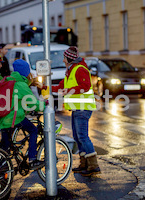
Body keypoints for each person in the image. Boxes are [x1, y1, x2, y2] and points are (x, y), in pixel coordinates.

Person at [51, 46, 100, 176]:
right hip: (77, 108)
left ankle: (93, 165)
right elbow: (61, 86)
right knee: (78, 137)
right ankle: (84, 164)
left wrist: (69, 90)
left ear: (69, 58)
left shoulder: (80, 69)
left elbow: (85, 86)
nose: (63, 60)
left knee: (83, 136)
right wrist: (46, 87)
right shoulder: (71, 70)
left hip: (83, 107)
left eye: (64, 58)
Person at [0, 59, 45, 170]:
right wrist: (46, 105)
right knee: (33, 130)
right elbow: (34, 103)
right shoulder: (21, 85)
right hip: (13, 118)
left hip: (2, 118)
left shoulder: (9, 80)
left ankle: (3, 173)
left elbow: (18, 102)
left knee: (6, 148)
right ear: (25, 72)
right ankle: (32, 159)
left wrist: (27, 109)